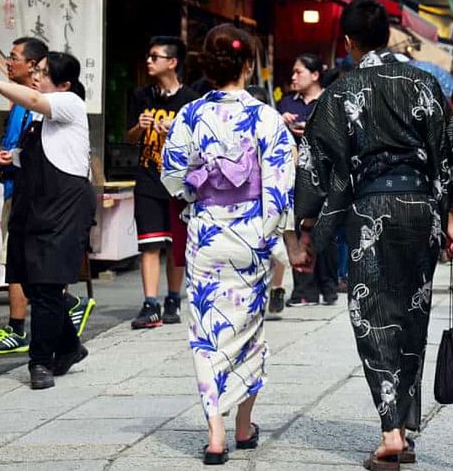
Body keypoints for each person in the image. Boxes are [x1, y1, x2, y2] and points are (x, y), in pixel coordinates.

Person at [293, 0, 453, 468]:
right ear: (390, 36)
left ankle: (391, 431)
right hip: (421, 210)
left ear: (348, 41)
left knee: (373, 315)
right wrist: (449, 220)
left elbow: (316, 160)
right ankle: (404, 429)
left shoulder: (342, 90)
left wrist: (308, 228)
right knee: (413, 313)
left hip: (370, 209)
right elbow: (445, 155)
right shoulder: (423, 83)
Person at [160, 24, 295, 464]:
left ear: (206, 66)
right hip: (250, 237)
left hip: (207, 235)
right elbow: (279, 189)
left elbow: (172, 176)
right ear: (248, 65)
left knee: (206, 331)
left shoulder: (190, 114)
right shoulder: (266, 118)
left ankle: (215, 433)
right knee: (248, 333)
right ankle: (243, 425)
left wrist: (197, 189)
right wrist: (270, 236)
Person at [0, 52, 96, 389]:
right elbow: (38, 157)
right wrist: (9, 161)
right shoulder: (36, 119)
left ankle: (39, 362)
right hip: (33, 207)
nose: (36, 77)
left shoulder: (69, 103)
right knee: (33, 284)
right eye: (36, 70)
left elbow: (36, 99)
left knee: (47, 284)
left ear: (64, 84)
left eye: (43, 72)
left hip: (64, 207)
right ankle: (69, 346)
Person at [127, 36, 199, 329]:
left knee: (174, 244)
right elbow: (130, 137)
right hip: (147, 178)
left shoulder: (191, 100)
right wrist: (139, 127)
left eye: (155, 57)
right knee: (149, 243)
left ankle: (173, 298)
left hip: (179, 181)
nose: (149, 61)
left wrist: (175, 131)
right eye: (148, 56)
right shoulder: (141, 96)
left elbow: (199, 142)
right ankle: (150, 303)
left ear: (172, 62)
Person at [277, 53, 338, 308]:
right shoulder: (286, 103)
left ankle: (328, 286)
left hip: (324, 173)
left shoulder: (329, 101)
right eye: (292, 72)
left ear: (315, 75)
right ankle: (304, 290)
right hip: (293, 174)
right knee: (297, 228)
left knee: (323, 229)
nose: (293, 77)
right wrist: (281, 123)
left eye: (298, 72)